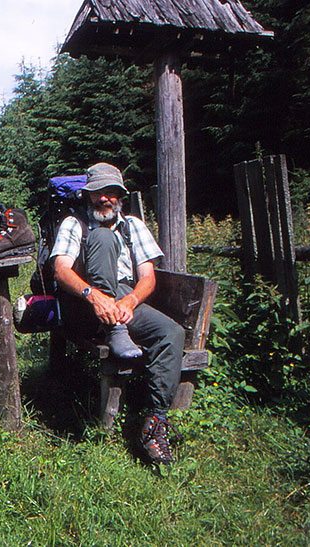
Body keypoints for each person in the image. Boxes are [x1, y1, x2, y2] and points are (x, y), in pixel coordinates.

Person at [50, 163, 185, 464]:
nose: (105, 199)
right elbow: (60, 270)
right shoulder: (75, 224)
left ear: (120, 197)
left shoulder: (133, 225)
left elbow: (148, 277)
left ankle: (155, 422)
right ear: (88, 196)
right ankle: (115, 330)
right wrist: (93, 295)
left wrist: (130, 302)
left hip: (125, 302)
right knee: (102, 238)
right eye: (99, 193)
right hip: (84, 305)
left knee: (171, 333)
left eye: (111, 193)